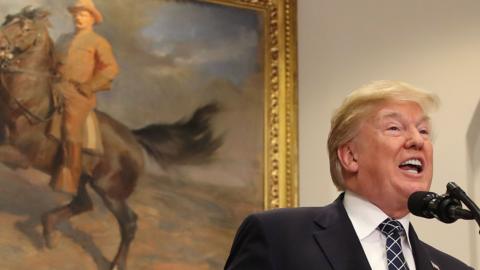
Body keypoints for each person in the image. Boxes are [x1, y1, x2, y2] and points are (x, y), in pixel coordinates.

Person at [224, 80, 474, 270]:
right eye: (394, 128)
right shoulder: (277, 237)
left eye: (424, 130)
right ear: (350, 156)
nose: (418, 140)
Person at [49, 0, 119, 194]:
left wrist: (90, 86)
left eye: (84, 14)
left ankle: (70, 177)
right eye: (76, 14)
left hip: (78, 94)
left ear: (92, 19)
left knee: (70, 130)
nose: (78, 17)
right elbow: (52, 62)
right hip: (55, 86)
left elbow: (111, 69)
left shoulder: (98, 42)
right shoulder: (63, 39)